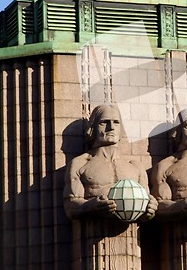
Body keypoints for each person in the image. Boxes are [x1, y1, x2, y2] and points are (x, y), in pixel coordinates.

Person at [63, 104, 156, 270]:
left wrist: (150, 209)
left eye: (116, 122)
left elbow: (147, 205)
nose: (111, 127)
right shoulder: (80, 163)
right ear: (92, 128)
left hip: (131, 247)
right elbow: (70, 206)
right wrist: (92, 205)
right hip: (92, 244)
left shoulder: (135, 166)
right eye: (104, 122)